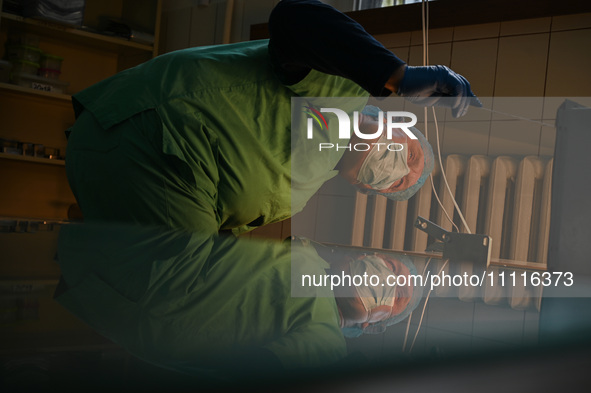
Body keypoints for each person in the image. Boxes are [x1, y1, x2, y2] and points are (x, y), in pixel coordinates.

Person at [64, 0, 480, 236]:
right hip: (152, 133)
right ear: (391, 123)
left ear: (362, 185)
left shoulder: (300, 192)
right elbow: (294, 16)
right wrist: (396, 75)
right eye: (409, 153)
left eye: (398, 181)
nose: (397, 167)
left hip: (125, 174)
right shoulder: (347, 90)